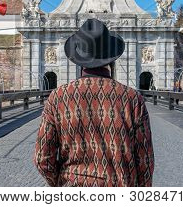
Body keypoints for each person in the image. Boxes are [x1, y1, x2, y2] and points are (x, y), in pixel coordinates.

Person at [34, 19, 154, 187]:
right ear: (111, 59)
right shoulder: (132, 98)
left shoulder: (57, 98)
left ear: (77, 59)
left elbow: (42, 159)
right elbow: (145, 161)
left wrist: (61, 184)